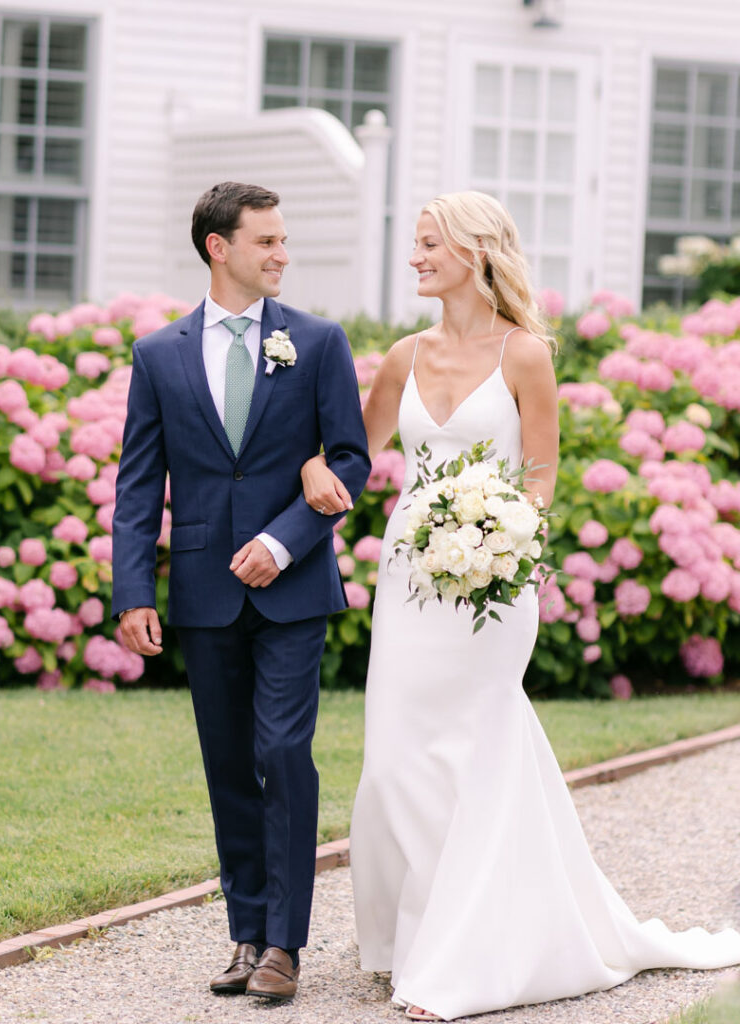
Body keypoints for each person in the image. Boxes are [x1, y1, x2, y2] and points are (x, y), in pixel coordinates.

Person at [301, 190, 740, 1021]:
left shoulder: (525, 354)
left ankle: (466, 962)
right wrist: (310, 471)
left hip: (494, 586)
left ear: (474, 252)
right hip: (410, 577)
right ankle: (413, 937)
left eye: (430, 244)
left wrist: (507, 541)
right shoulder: (402, 354)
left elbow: (541, 473)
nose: (417, 257)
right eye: (417, 244)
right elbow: (355, 453)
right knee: (397, 760)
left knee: (478, 749)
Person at [111, 181, 370, 1004]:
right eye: (266, 241)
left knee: (282, 754)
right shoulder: (158, 355)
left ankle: (286, 946)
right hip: (201, 594)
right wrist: (133, 592)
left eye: (284, 240)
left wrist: (282, 539)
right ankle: (246, 932)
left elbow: (352, 460)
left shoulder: (319, 343)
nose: (282, 254)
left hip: (292, 591)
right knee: (228, 765)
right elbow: (137, 483)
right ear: (219, 248)